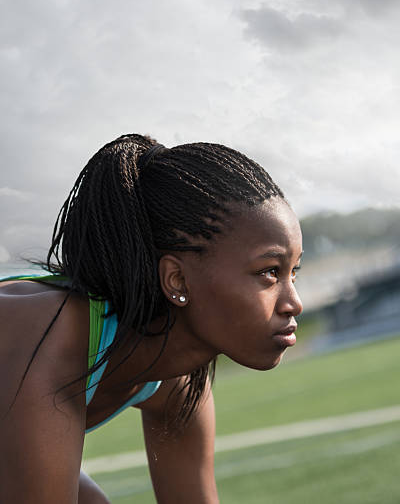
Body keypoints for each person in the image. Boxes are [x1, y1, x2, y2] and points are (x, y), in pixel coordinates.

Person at [0, 133, 303, 503]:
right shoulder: (52, 340)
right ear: (176, 279)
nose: (294, 303)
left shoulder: (179, 381)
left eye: (293, 272)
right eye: (269, 272)